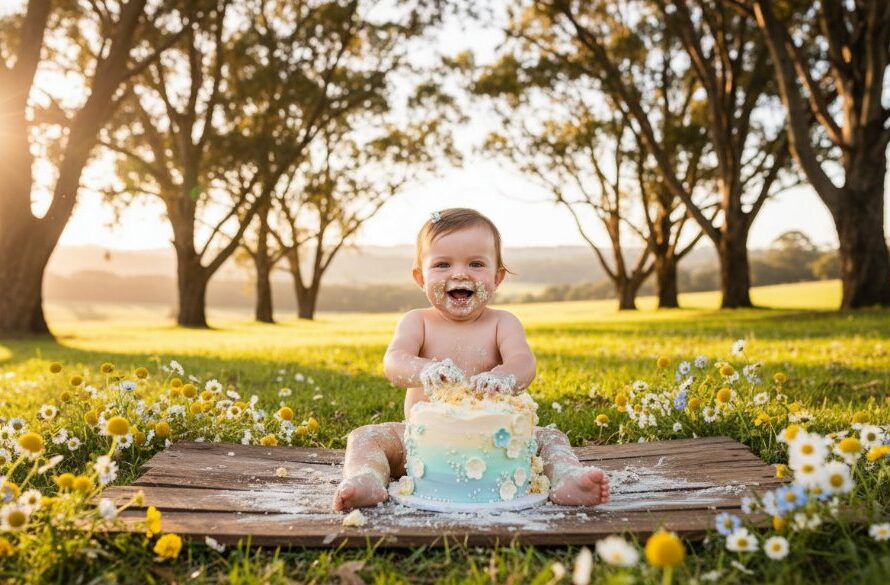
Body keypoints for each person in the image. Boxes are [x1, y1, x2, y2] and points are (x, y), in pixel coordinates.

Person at [332, 208, 610, 511]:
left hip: (499, 443)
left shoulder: (502, 323)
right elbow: (394, 362)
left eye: (476, 264)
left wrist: (503, 376)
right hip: (421, 444)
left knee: (550, 438)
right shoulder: (417, 321)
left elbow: (523, 362)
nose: (460, 274)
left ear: (497, 277)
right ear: (420, 277)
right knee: (366, 437)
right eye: (442, 264)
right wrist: (425, 369)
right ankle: (366, 477)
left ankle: (567, 477)